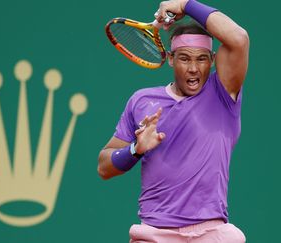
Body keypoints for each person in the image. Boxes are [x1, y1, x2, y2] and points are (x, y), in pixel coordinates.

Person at [98, 0, 249, 242]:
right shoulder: (141, 101)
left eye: (201, 59)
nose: (193, 68)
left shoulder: (222, 93)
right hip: (156, 232)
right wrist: (135, 150)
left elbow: (238, 38)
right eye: (185, 59)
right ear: (170, 58)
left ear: (211, 60)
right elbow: (104, 167)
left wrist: (185, 4)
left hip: (211, 233)